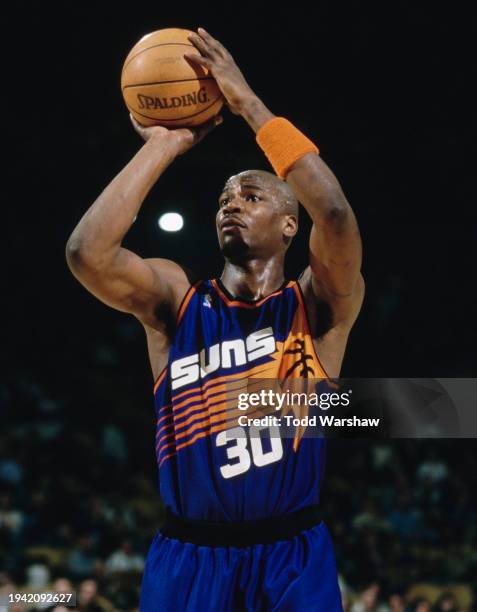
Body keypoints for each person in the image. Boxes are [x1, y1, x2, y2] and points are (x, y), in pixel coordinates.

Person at [66, 27, 364, 612]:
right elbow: (86, 253)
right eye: (225, 199)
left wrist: (249, 104)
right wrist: (163, 145)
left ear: (288, 226)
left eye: (251, 196)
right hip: (189, 554)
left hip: (292, 555)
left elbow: (332, 211)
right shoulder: (178, 302)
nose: (231, 203)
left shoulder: (317, 306)